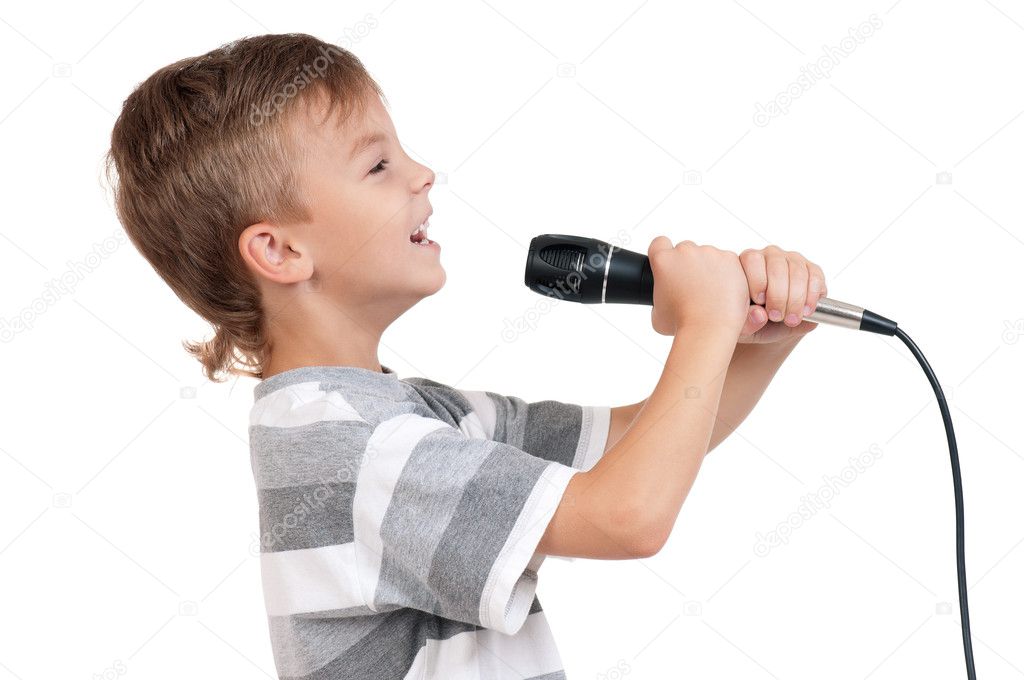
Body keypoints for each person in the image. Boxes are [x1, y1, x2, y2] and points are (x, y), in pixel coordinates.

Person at [105, 32, 828, 680]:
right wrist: (705, 323)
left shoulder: (412, 416)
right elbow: (627, 517)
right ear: (281, 251)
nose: (422, 173)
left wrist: (757, 340)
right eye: (378, 165)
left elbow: (642, 444)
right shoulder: (349, 447)